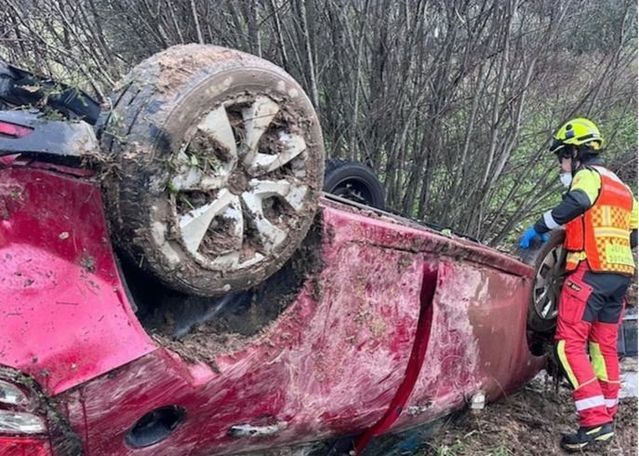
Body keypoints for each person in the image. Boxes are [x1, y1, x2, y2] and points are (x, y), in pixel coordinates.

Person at [519, 117, 638, 452]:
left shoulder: (587, 177)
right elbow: (635, 233)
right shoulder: (622, 187)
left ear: (575, 151)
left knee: (567, 345)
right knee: (603, 347)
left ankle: (594, 423)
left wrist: (541, 226)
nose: (561, 164)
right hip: (619, 275)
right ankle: (607, 417)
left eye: (562, 156)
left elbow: (578, 202)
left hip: (589, 272)